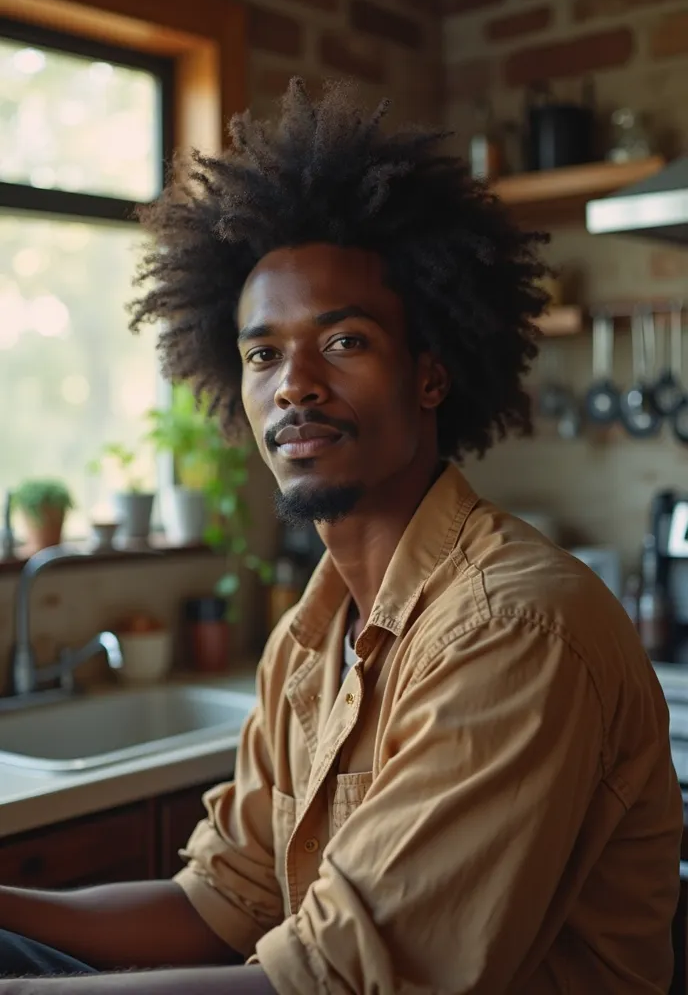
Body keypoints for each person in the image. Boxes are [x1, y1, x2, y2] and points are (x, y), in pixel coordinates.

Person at [0, 78, 682, 994]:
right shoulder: (309, 645)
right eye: (262, 353)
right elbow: (219, 905)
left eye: (345, 341)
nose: (293, 384)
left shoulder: (513, 630)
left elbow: (340, 984)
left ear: (431, 376)